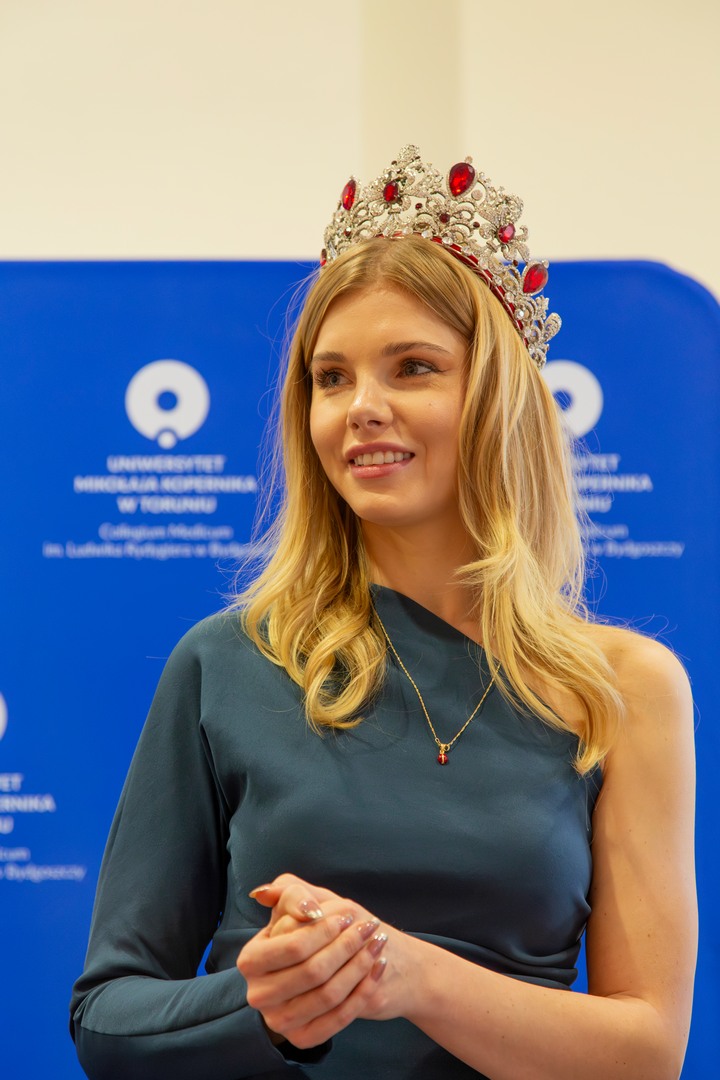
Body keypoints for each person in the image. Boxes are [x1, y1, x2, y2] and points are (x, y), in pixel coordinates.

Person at [70, 145, 697, 1079]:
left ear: (498, 398)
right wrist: (269, 1003)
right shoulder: (227, 661)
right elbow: (107, 1019)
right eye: (331, 378)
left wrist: (406, 975)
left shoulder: (625, 688)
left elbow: (646, 1051)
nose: (361, 407)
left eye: (412, 368)